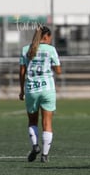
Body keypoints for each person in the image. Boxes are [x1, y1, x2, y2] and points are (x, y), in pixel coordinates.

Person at [19, 25, 61, 163]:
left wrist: (21, 90)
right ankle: (44, 155)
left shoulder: (26, 49)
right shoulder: (51, 49)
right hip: (47, 89)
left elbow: (22, 72)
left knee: (32, 121)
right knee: (47, 123)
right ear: (46, 36)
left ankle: (35, 146)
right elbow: (58, 70)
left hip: (31, 89)